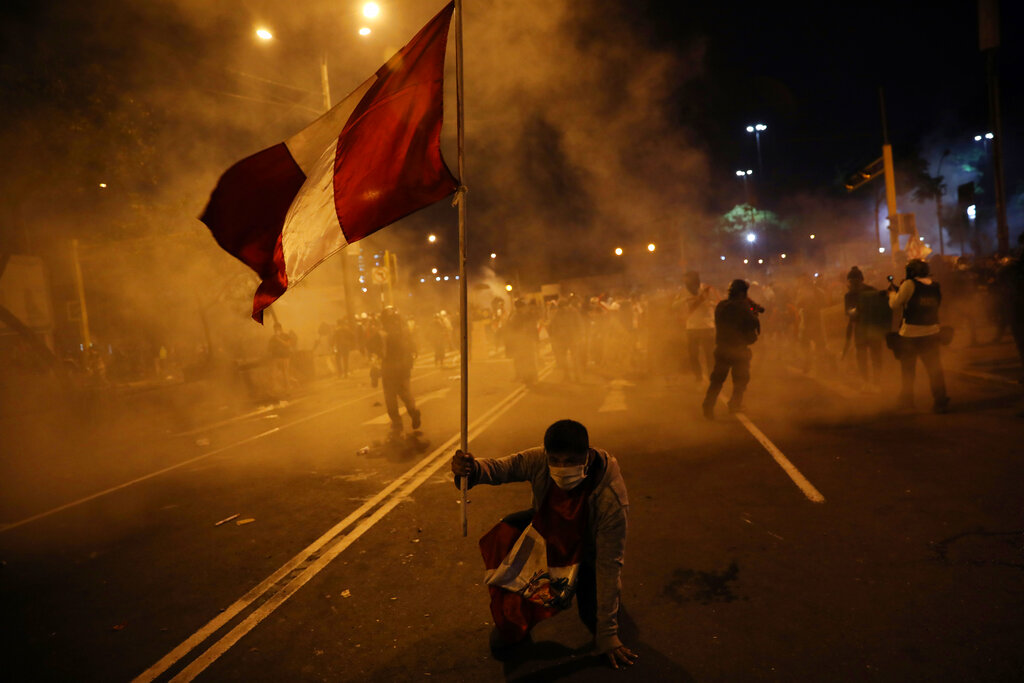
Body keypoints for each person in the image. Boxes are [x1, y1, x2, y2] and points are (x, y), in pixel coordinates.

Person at [450, 419, 637, 669]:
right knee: (510, 531)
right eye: (556, 461)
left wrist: (608, 633)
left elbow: (609, 565)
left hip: (587, 555)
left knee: (597, 623)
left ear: (587, 456)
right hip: (547, 537)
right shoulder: (538, 459)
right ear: (547, 454)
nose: (562, 468)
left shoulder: (610, 498)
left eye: (570, 461)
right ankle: (515, 619)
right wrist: (469, 470)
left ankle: (604, 608)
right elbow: (499, 468)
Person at [888, 259, 950, 412]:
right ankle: (940, 401)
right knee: (934, 369)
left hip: (911, 335)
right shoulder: (935, 286)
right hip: (932, 333)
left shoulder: (909, 284)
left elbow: (895, 304)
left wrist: (891, 294)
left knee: (908, 370)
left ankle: (907, 400)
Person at [702, 279, 761, 419]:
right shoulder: (742, 307)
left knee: (717, 380)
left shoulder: (721, 305)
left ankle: (708, 405)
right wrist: (755, 313)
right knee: (741, 379)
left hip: (722, 348)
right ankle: (735, 404)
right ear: (742, 293)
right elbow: (752, 324)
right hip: (738, 349)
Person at [842, 266, 889, 388]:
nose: (853, 283)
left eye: (854, 280)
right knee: (873, 355)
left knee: (864, 356)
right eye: (852, 280)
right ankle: (874, 381)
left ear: (860, 280)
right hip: (870, 328)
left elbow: (849, 313)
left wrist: (855, 312)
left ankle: (869, 381)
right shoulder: (871, 290)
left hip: (862, 328)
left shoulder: (850, 295)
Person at [378, 308, 421, 434]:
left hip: (389, 368)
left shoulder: (383, 333)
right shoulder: (404, 330)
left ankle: (397, 423)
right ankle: (413, 412)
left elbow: (378, 349)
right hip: (404, 367)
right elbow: (412, 346)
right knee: (406, 393)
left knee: (390, 397)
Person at [683, 271, 716, 383]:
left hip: (707, 326)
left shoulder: (707, 289)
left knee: (709, 355)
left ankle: (712, 377)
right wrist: (686, 301)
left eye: (688, 279)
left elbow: (717, 303)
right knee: (693, 355)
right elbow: (674, 305)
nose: (686, 282)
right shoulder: (684, 292)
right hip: (691, 328)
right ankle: (698, 378)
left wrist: (708, 303)